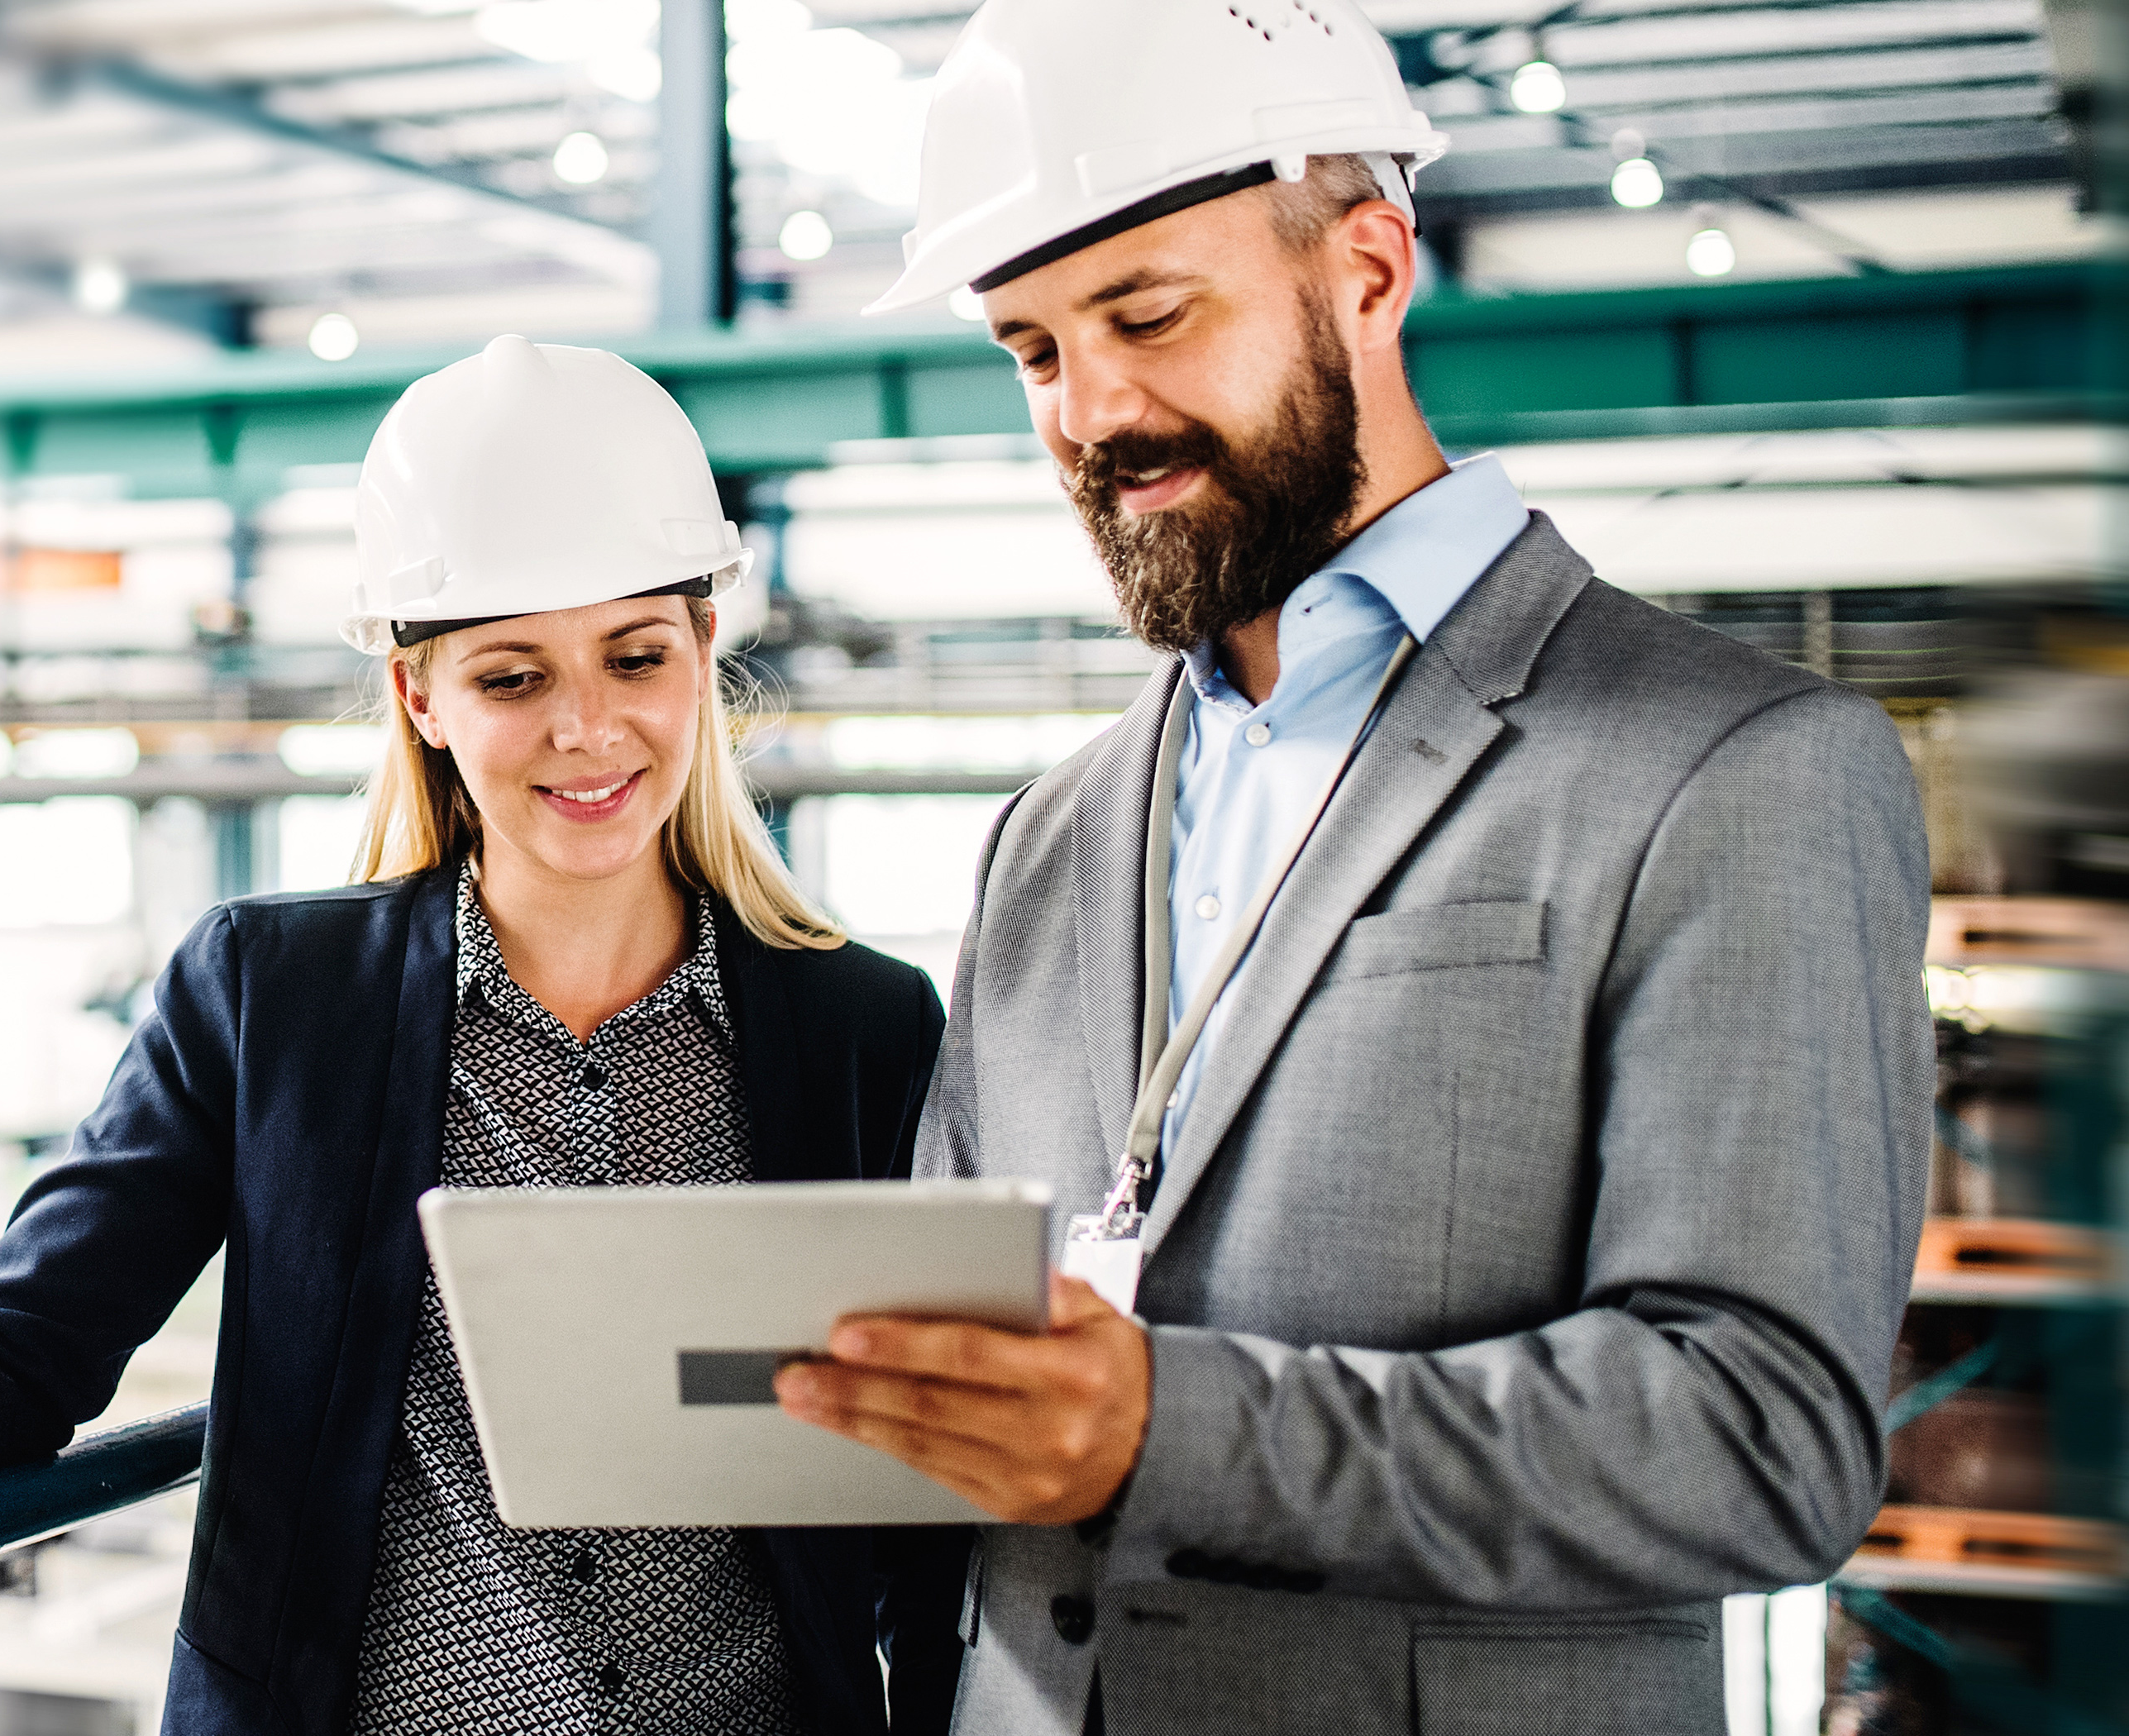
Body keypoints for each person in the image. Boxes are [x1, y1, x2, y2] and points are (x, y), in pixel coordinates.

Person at [0, 336, 967, 1733]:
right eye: (513, 676)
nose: (587, 728)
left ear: (703, 653)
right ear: (421, 696)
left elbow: (917, 1455)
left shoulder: (858, 1028)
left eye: (635, 658)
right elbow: (34, 1330)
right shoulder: (275, 999)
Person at [765, 4, 1931, 1734]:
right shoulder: (1048, 838)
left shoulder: (1729, 770)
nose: (1094, 412)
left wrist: (1175, 1427)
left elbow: (1761, 1437)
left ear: (1371, 271)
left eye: (1148, 317)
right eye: (1032, 352)